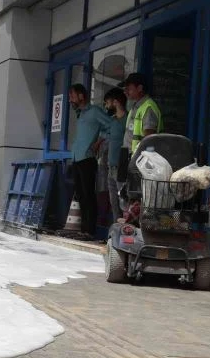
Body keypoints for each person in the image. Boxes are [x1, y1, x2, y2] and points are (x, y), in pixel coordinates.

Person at [68, 84, 116, 240]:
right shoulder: (80, 113)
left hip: (87, 158)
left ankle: (90, 230)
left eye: (73, 96)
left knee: (89, 194)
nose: (71, 99)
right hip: (76, 157)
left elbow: (111, 125)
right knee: (80, 194)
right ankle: (83, 229)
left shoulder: (94, 111)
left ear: (82, 96)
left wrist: (99, 141)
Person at [119, 72, 163, 156]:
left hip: (139, 160)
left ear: (139, 88)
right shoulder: (135, 107)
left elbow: (149, 138)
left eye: (129, 89)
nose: (125, 92)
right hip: (131, 156)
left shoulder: (148, 108)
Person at [103, 88, 128, 223]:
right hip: (111, 166)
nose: (106, 106)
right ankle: (116, 228)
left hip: (122, 166)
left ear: (116, 102)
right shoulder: (111, 121)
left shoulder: (128, 120)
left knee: (123, 200)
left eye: (108, 103)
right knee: (113, 201)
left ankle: (126, 228)